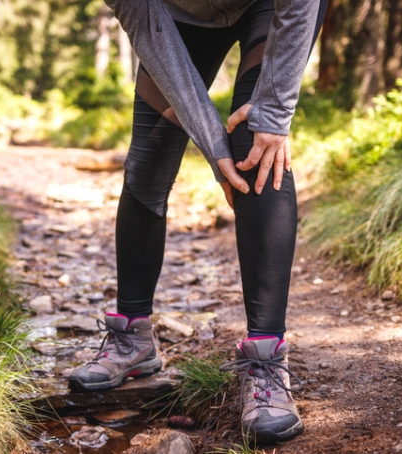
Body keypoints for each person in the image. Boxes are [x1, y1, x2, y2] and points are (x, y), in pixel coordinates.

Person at [68, 0, 327, 444]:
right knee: (148, 161)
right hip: (170, 17)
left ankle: (266, 359)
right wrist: (213, 147)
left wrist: (273, 115)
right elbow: (148, 26)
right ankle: (133, 339)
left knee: (257, 144)